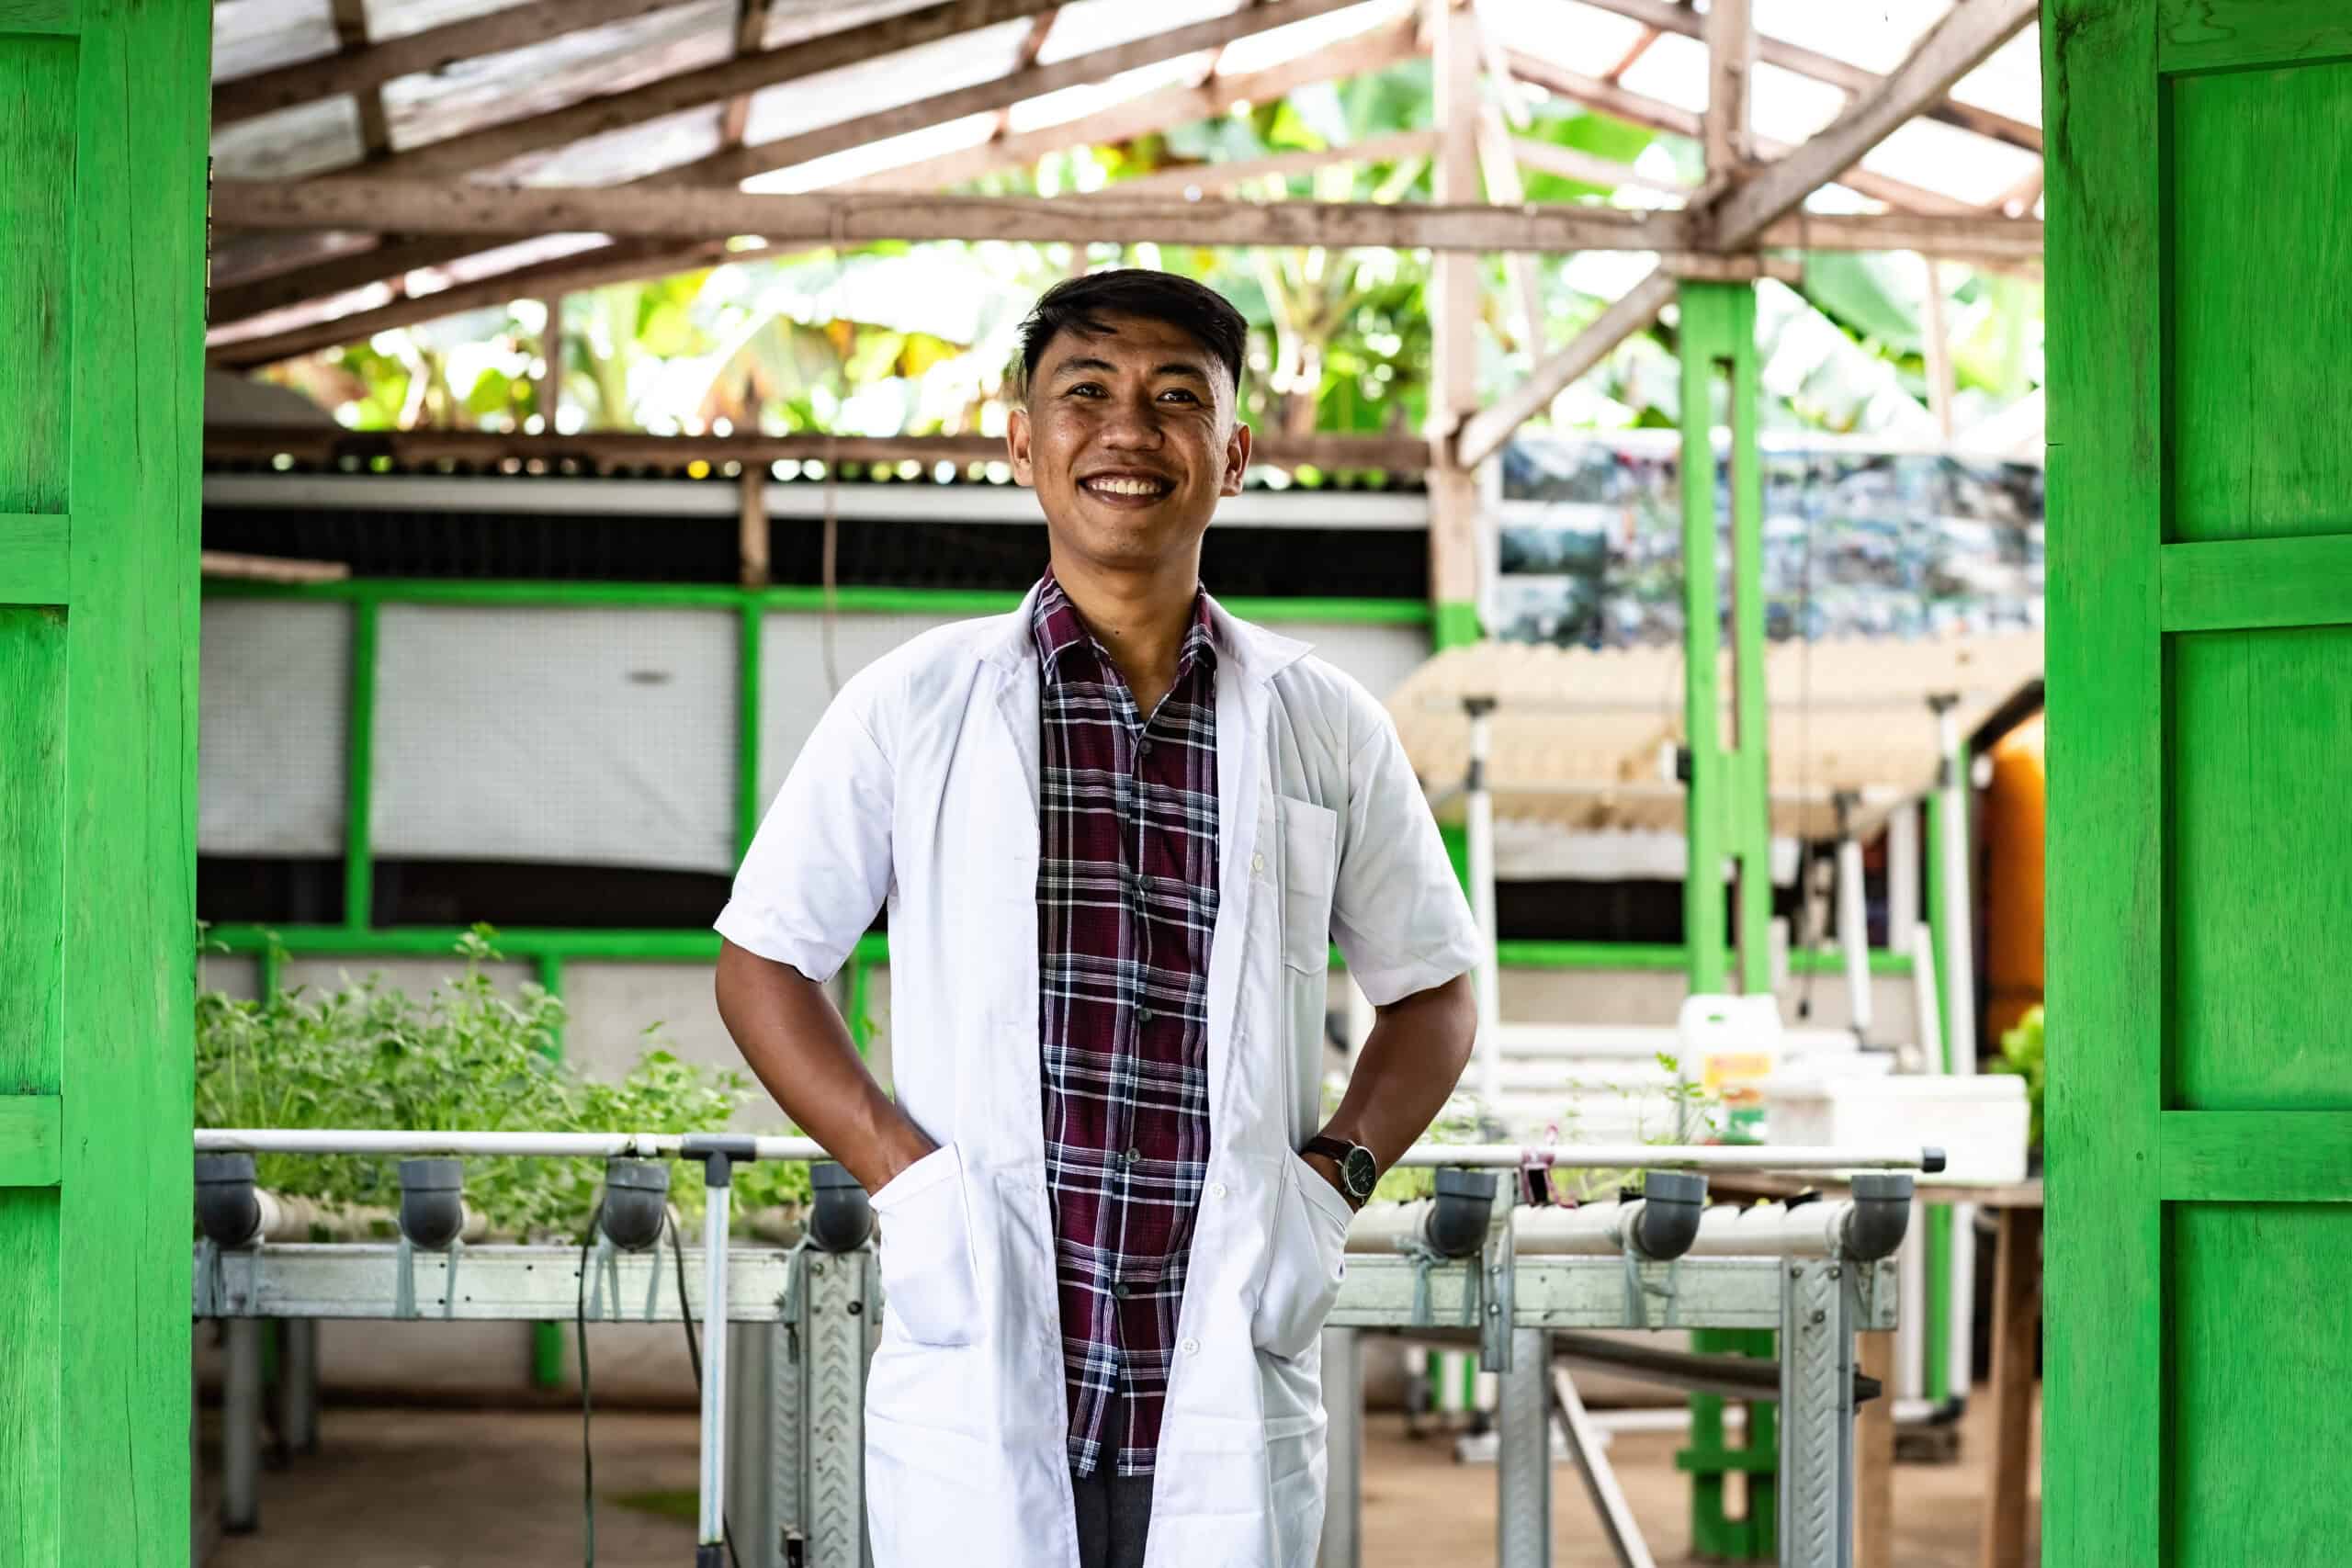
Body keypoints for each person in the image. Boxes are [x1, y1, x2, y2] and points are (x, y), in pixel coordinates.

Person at [714, 268, 1481, 1568]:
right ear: (1024, 441)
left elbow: (1434, 992)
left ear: (1232, 455)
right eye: (1087, 394)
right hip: (993, 1334)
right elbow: (765, 963)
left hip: (1220, 1348)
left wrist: (1331, 1182)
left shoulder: (1324, 721)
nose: (1130, 430)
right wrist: (911, 1181)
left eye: (1177, 398)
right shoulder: (916, 706)